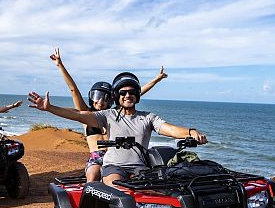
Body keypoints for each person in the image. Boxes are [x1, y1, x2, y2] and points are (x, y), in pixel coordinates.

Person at [28, 71, 206, 186]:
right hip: (114, 166)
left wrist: (190, 132)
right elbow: (78, 114)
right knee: (116, 192)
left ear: (137, 95)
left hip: (141, 168)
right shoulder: (108, 116)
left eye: (131, 92)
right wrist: (50, 108)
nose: (127, 95)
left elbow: (169, 129)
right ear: (117, 96)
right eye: (122, 92)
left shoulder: (148, 117)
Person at [49, 48, 168, 182]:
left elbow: (135, 93)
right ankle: (91, 201)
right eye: (98, 96)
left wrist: (156, 80)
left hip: (116, 158)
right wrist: (60, 65)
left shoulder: (112, 115)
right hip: (97, 157)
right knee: (93, 175)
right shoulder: (86, 115)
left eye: (105, 97)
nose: (101, 101)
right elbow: (73, 90)